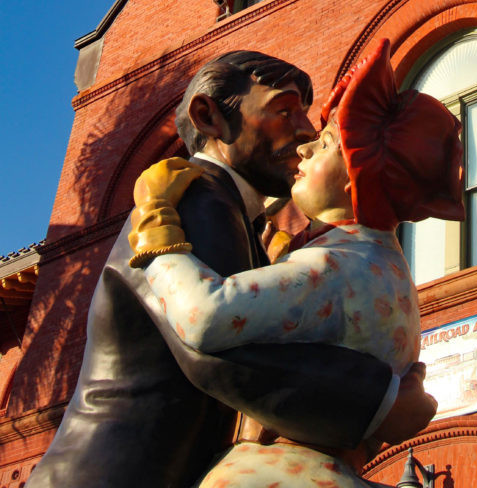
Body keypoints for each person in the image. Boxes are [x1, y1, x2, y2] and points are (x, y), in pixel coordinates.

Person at [29, 50, 434, 488]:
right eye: (284, 110)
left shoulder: (241, 219)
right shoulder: (194, 198)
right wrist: (381, 402)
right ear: (210, 118)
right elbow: (212, 351)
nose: (305, 132)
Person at [129, 39, 465, 487]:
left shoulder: (337, 262)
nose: (305, 144)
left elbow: (204, 316)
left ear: (355, 179)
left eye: (325, 144)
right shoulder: (375, 259)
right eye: (285, 112)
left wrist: (156, 224)